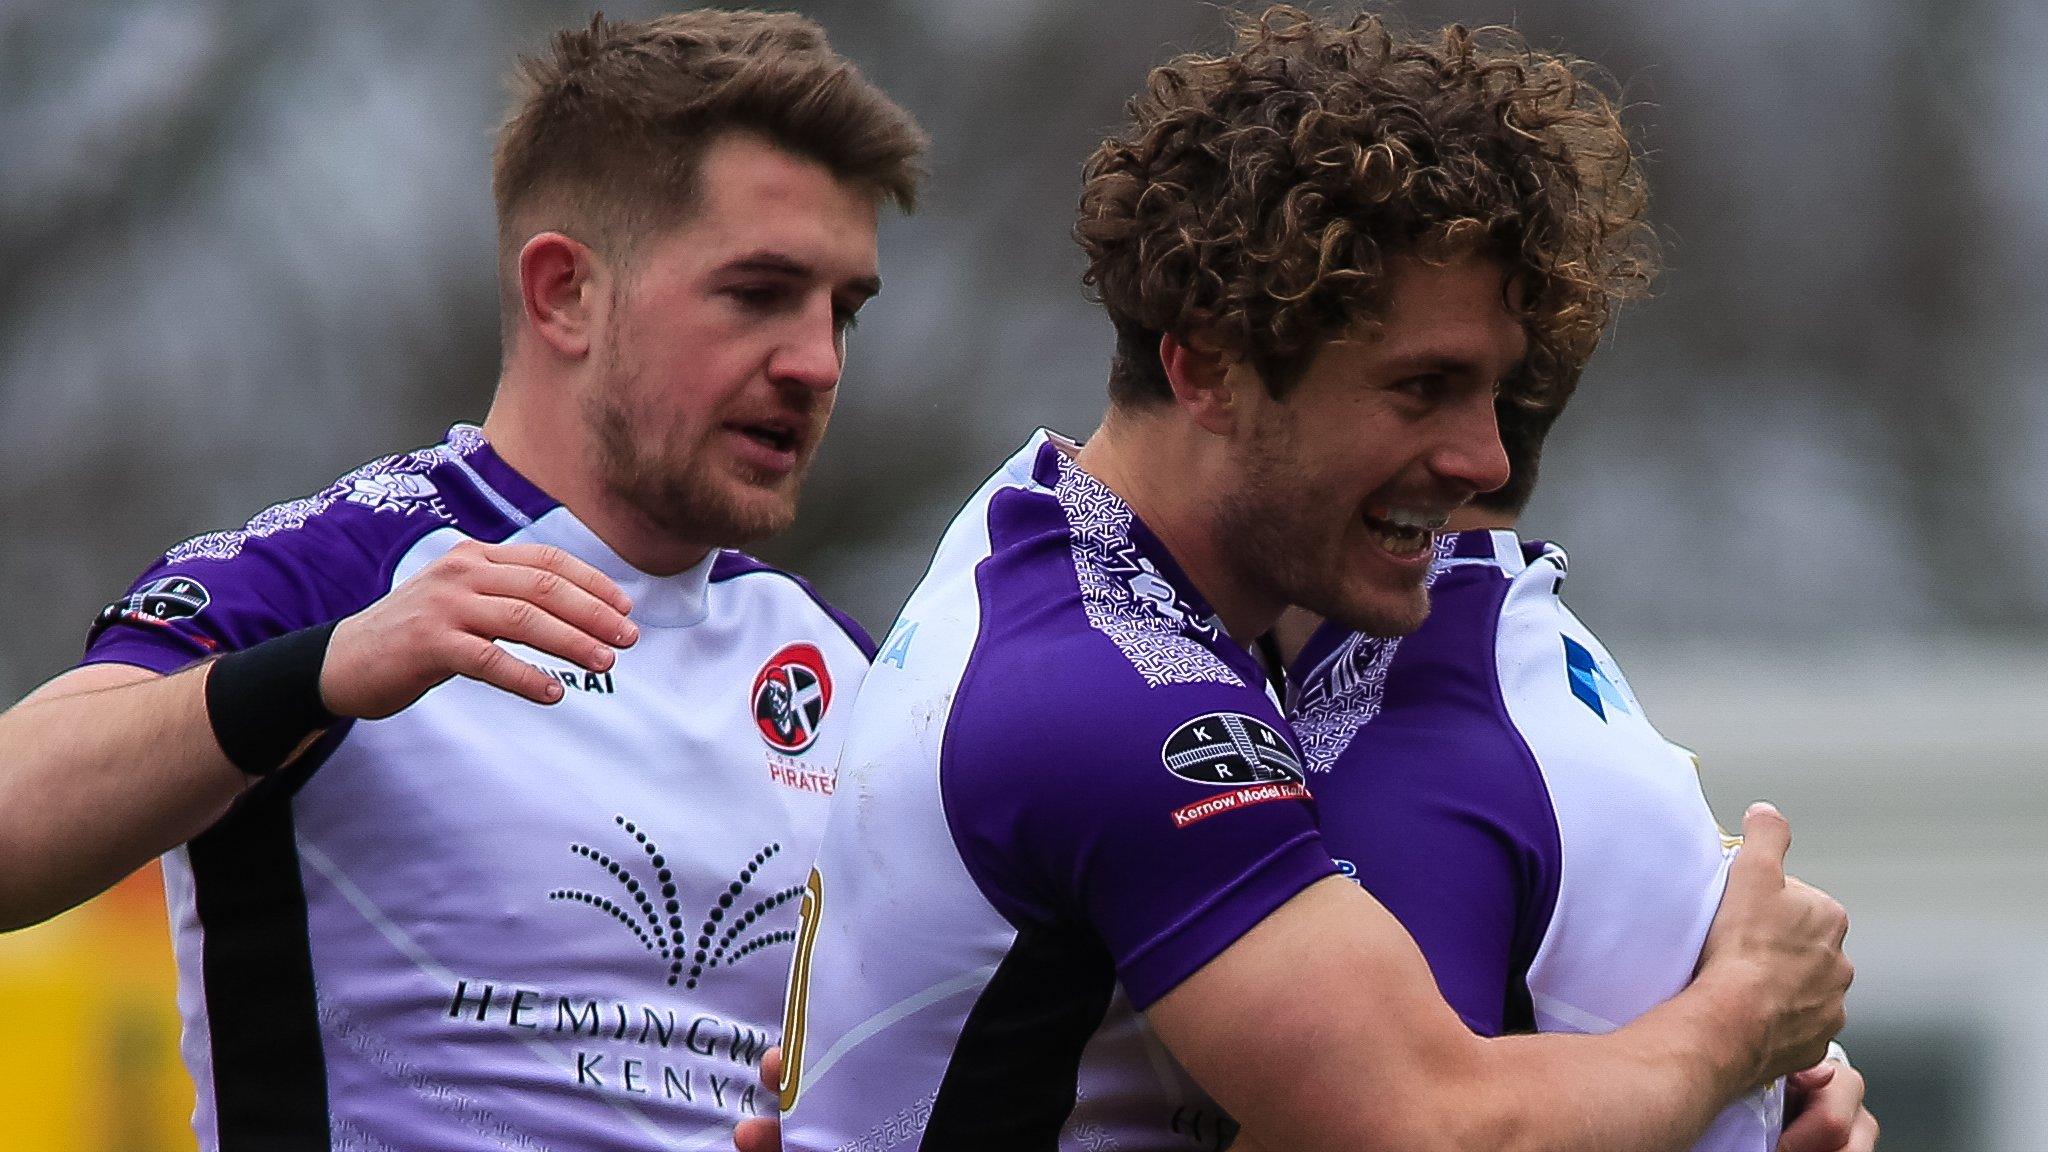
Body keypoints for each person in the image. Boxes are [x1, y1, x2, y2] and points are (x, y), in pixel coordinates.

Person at [771, 10, 1850, 1152]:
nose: (1484, 460)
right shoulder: (1114, 694)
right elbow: (1438, 1130)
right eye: (1420, 387)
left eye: (1491, 391)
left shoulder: (1034, 531)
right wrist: (1739, 1022)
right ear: (1206, 367)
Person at [0, 12, 925, 1150]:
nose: (816, 362)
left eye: (843, 310)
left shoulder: (853, 671)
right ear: (563, 294)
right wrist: (324, 673)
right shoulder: (339, 573)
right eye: (758, 293)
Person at [1277, 392, 1879, 1152]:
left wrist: (1752, 1031)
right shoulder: (1521, 650)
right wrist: (1748, 1023)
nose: (1480, 455)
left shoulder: (1419, 741)